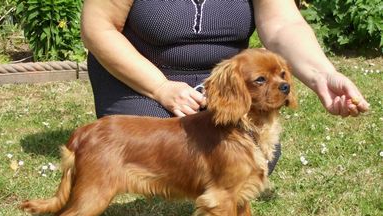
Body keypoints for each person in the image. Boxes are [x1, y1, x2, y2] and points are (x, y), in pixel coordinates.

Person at [80, 0, 369, 173]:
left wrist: (323, 76)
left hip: (228, 83)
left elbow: (283, 25)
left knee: (251, 157)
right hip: (140, 78)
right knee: (158, 156)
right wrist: (160, 88)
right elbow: (98, 28)